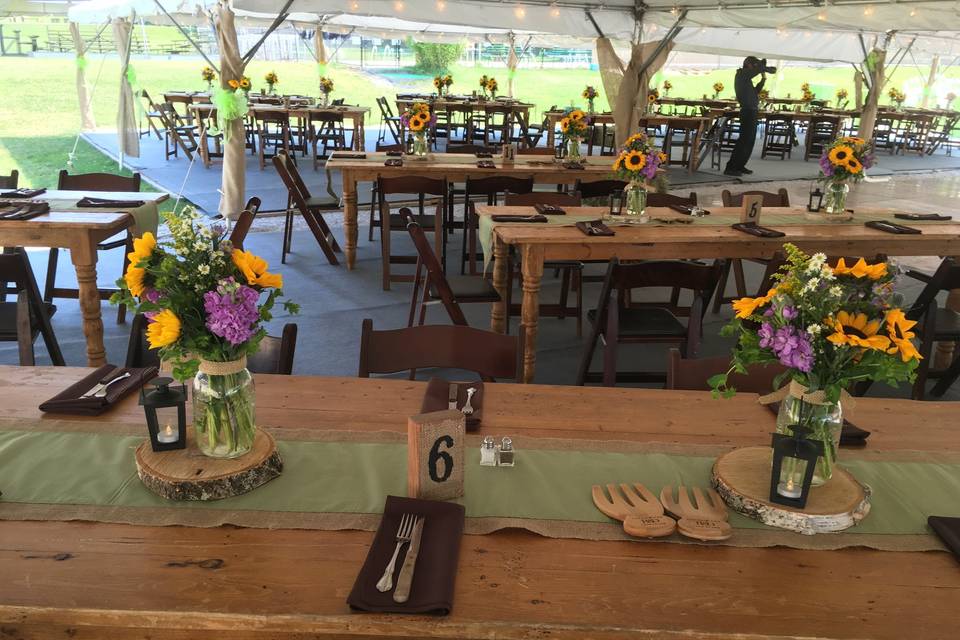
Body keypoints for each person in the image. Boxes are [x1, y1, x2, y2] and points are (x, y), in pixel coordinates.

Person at [724, 56, 766, 177]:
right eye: (755, 65)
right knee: (743, 141)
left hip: (752, 111)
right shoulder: (741, 74)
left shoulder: (747, 79)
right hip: (747, 111)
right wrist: (762, 68)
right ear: (748, 64)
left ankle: (740, 165)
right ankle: (731, 167)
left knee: (749, 141)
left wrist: (763, 79)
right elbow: (753, 72)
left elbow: (755, 92)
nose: (756, 67)